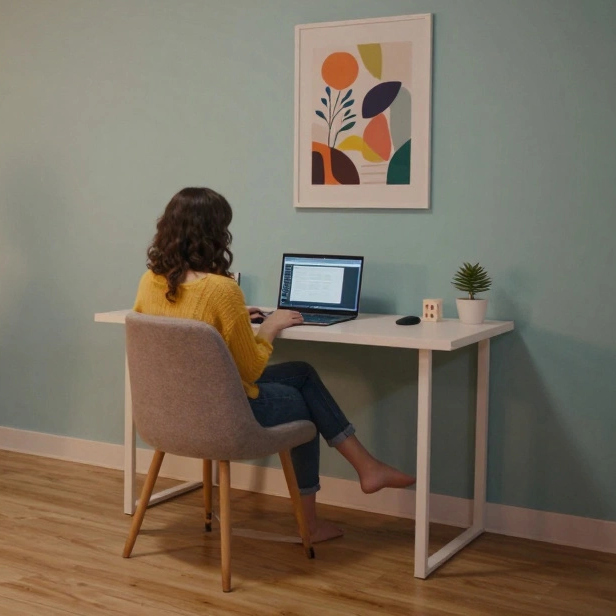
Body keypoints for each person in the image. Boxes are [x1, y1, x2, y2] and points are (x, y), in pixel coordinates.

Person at [133, 186, 414, 542]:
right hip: (224, 414)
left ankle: (367, 467)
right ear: (214, 234)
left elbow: (177, 341)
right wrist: (269, 327)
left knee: (302, 372)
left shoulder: (149, 282)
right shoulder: (221, 290)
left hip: (169, 414)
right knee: (305, 408)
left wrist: (235, 321)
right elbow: (248, 372)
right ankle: (315, 518)